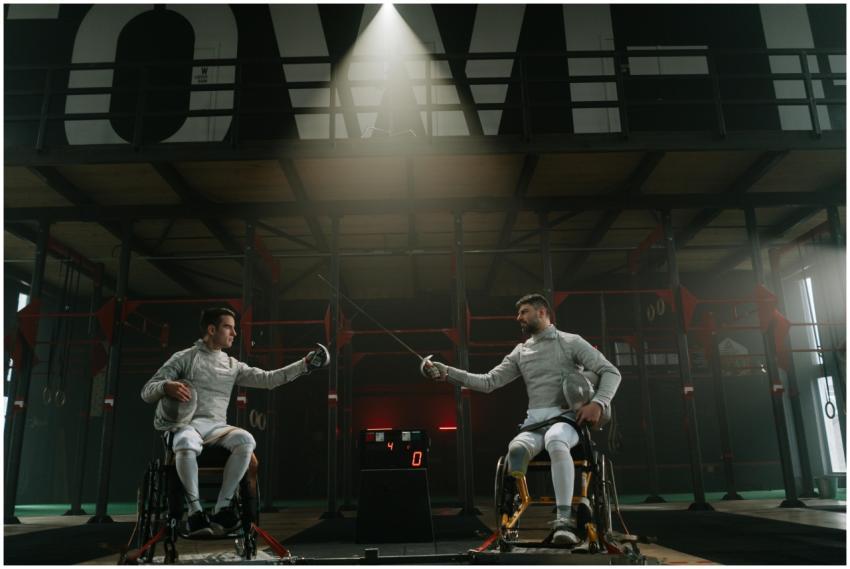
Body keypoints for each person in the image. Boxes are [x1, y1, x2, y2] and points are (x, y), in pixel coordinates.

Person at [423, 293, 621, 545]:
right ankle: (516, 504)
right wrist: (447, 372)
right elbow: (489, 381)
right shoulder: (521, 351)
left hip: (567, 420)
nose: (518, 318)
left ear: (542, 312)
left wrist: (598, 403)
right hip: (534, 423)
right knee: (515, 449)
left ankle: (564, 522)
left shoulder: (571, 342)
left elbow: (611, 372)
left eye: (524, 312)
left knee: (555, 439)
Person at [141, 307, 329, 536]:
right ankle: (195, 513)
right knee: (186, 442)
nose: (234, 333)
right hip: (186, 426)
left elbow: (268, 379)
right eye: (228, 327)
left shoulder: (232, 365)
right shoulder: (184, 358)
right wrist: (165, 386)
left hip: (216, 428)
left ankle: (222, 508)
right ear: (212, 329)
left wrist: (304, 364)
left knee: (245, 439)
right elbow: (147, 392)